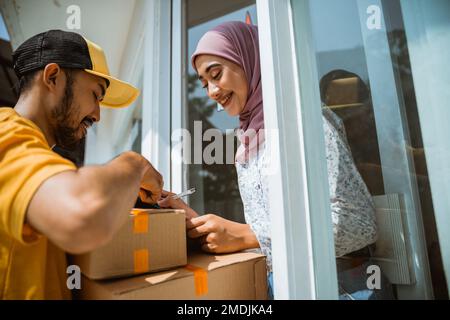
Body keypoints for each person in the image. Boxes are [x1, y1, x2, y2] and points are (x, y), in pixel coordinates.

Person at [158, 21, 386, 299]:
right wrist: (201, 227)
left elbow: (360, 224)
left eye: (216, 74)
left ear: (249, 58)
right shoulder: (248, 142)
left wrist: (249, 235)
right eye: (204, 83)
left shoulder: (305, 122)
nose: (212, 91)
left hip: (342, 288)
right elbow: (270, 236)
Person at [0, 30, 163, 299]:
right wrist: (135, 164)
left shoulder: (39, 155)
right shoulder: (6, 132)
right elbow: (82, 217)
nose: (97, 115)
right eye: (95, 95)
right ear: (52, 77)